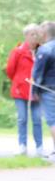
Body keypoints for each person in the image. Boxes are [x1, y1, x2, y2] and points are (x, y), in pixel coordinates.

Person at [5, 24, 45, 156]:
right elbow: (10, 70)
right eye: (32, 34)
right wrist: (20, 81)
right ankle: (22, 145)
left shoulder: (42, 51)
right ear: (26, 36)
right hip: (20, 90)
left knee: (37, 119)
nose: (35, 37)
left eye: (37, 34)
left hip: (37, 91)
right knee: (22, 118)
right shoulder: (18, 52)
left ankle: (39, 147)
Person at [31, 21, 55, 161]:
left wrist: (34, 91)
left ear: (45, 33)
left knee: (53, 121)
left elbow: (38, 75)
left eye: (40, 32)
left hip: (49, 90)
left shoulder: (45, 50)